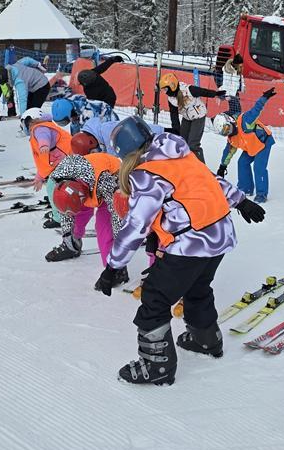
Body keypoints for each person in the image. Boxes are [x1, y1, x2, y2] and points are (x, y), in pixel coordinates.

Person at [96, 115, 266, 386]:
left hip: (191, 243)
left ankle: (157, 365)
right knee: (197, 288)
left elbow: (137, 225)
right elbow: (211, 180)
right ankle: (206, 339)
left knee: (155, 297)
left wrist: (113, 266)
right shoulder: (180, 155)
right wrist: (241, 201)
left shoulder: (147, 174)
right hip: (219, 236)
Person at [47, 147, 126, 285]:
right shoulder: (60, 179)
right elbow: (65, 211)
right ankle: (72, 245)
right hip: (84, 185)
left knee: (104, 230)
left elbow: (117, 215)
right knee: (77, 217)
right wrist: (68, 235)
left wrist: (120, 244)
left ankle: (116, 270)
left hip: (112, 181)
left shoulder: (105, 181)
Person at [213, 87, 276, 203]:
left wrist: (264, 97)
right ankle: (246, 188)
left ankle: (261, 194)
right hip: (250, 146)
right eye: (224, 132)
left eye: (227, 128)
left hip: (263, 143)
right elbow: (228, 153)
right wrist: (222, 167)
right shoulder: (232, 138)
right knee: (242, 163)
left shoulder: (244, 121)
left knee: (258, 167)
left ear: (230, 121)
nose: (228, 132)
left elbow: (256, 109)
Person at [22, 107, 74, 230]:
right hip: (65, 161)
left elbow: (44, 137)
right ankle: (62, 209)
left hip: (67, 161)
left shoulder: (39, 128)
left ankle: (59, 218)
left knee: (52, 186)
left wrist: (44, 145)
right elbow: (44, 162)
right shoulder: (43, 126)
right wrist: (39, 177)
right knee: (59, 186)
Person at [159, 72, 225, 163]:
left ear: (172, 86)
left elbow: (203, 92)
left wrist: (216, 94)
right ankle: (186, 164)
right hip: (187, 118)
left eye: (165, 89)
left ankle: (202, 167)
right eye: (163, 90)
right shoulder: (171, 98)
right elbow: (173, 115)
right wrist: (176, 129)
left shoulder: (188, 90)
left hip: (198, 116)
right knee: (182, 142)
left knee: (193, 145)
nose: (165, 92)